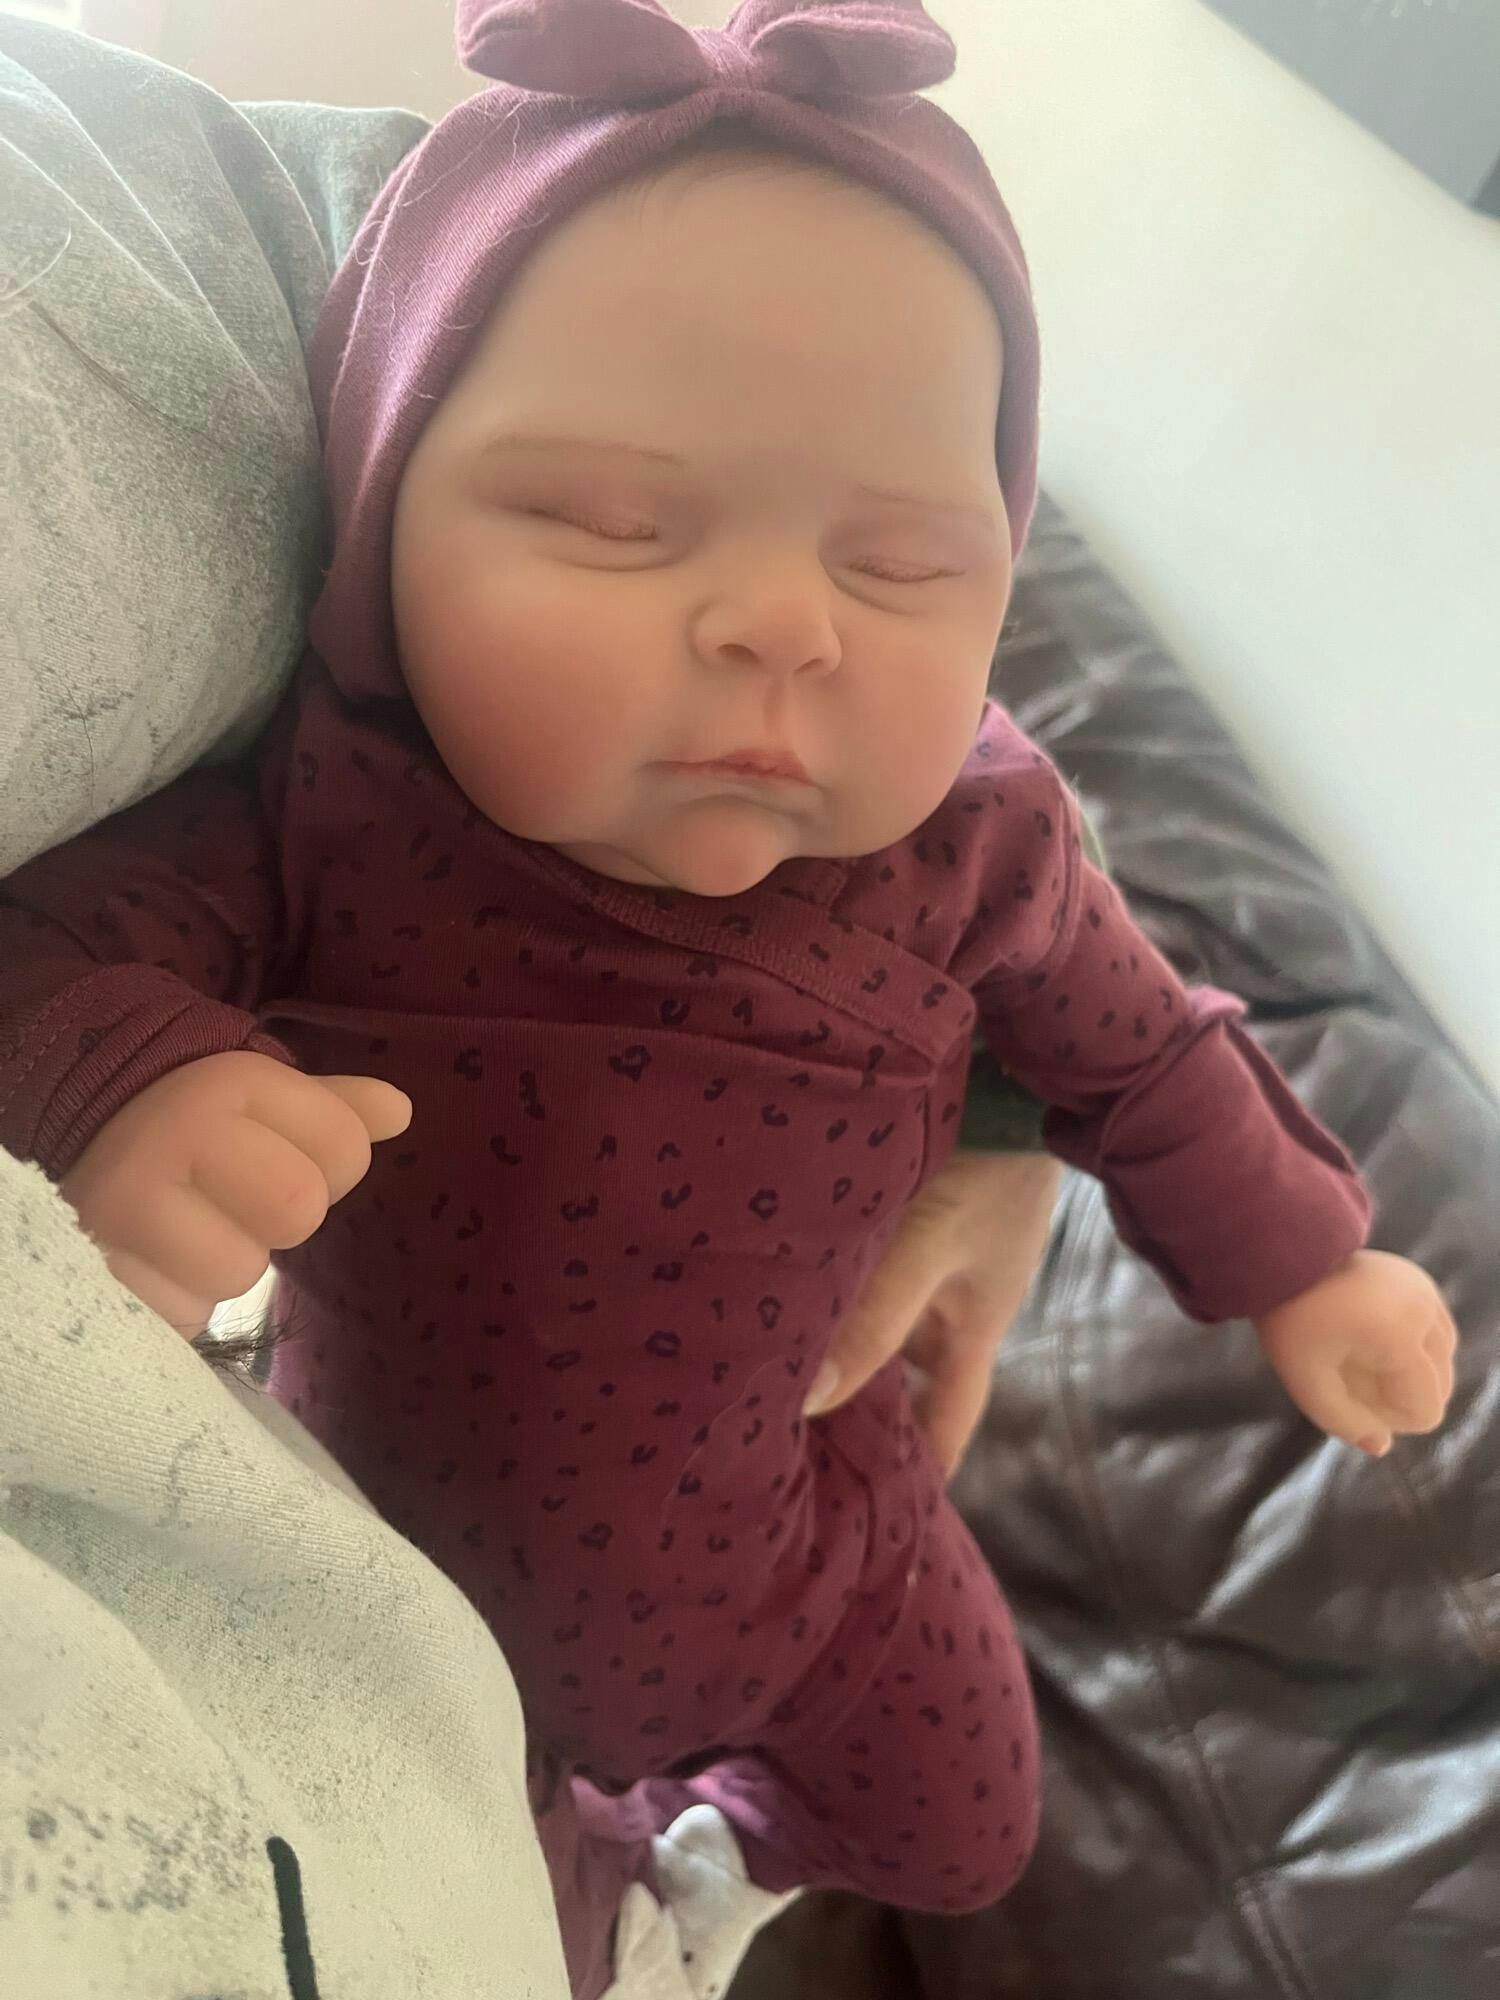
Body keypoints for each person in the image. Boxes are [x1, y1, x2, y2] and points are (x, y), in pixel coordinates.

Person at [0, 3, 1456, 1996]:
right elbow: (60, 943)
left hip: (814, 1555)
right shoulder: (334, 809)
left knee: (967, 1827)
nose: (783, 623)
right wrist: (134, 1076)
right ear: (379, 524)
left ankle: (719, 1846)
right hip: (406, 1579)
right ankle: (600, 1854)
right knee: (514, 1879)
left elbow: (1146, 1058)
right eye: (613, 520)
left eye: (906, 560)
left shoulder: (985, 844)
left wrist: (1309, 1260)